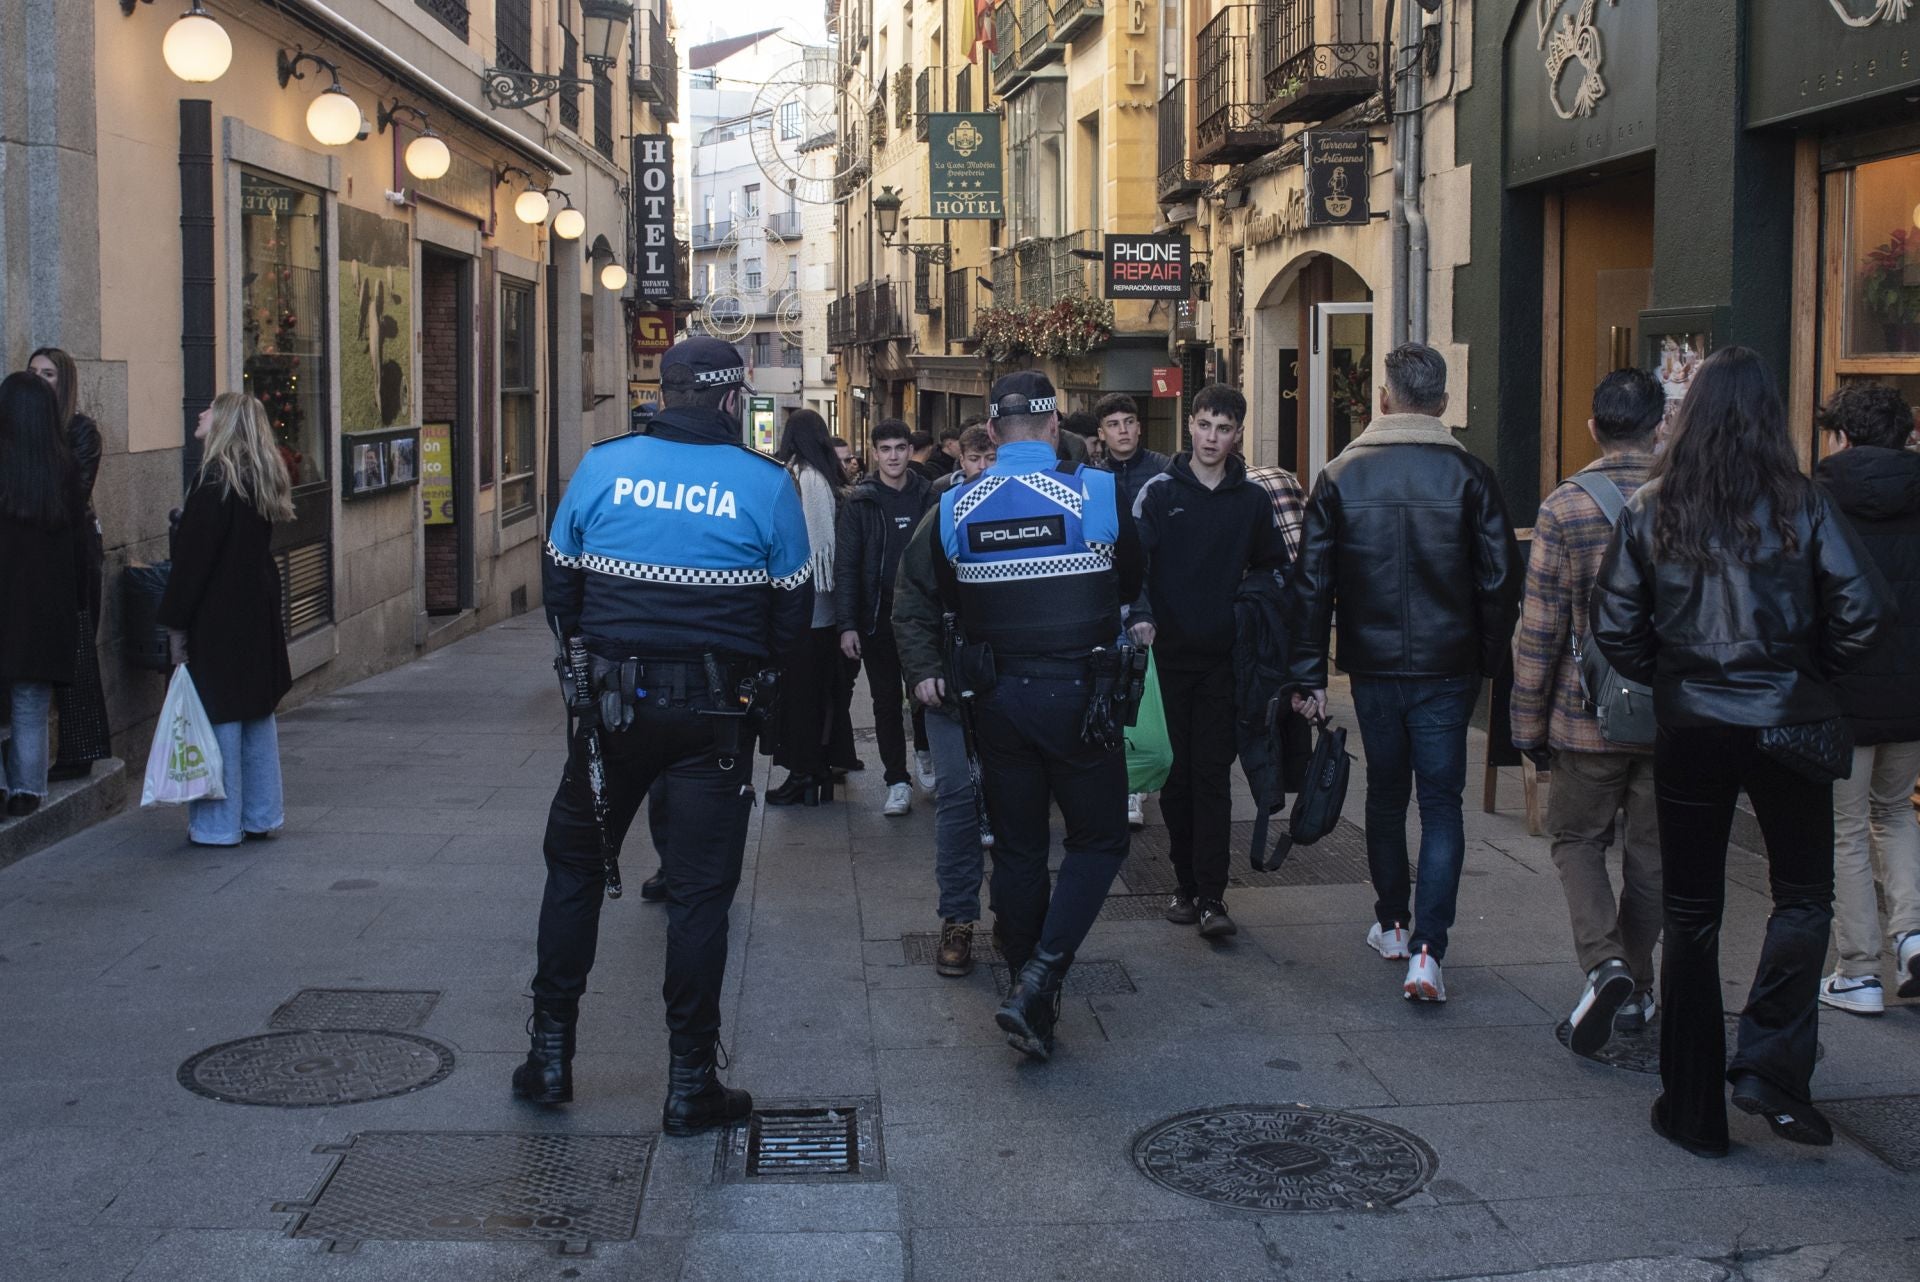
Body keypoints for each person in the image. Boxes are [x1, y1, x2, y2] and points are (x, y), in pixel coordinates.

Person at [1592, 346, 1885, 1157]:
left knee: (1692, 916)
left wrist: (1681, 677)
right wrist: (1804, 674)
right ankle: (1768, 1064)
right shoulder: (1806, 504)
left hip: (1694, 728)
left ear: (1689, 416)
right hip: (1789, 723)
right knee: (1803, 898)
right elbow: (1864, 614)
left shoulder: (1654, 506)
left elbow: (1615, 626)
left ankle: (1692, 1110)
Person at [520, 336, 812, 1134]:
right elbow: (792, 616)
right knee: (699, 896)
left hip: (609, 715)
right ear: (728, 401)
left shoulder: (602, 467)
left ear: (663, 391)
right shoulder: (765, 485)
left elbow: (559, 590)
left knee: (576, 868)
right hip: (714, 719)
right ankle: (690, 1085)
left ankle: (550, 1055)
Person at [1288, 343, 1522, 1004]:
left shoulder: (1338, 477)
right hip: (1448, 668)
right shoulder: (1472, 476)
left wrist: (1308, 673)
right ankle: (1429, 951)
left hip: (1373, 664)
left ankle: (1392, 923)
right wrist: (1486, 657)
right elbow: (1501, 580)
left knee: (1387, 792)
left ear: (1383, 400)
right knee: (1442, 804)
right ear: (1442, 403)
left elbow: (1312, 587)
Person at [926, 370, 1145, 1059]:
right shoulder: (1097, 492)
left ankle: (1025, 980)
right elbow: (1130, 582)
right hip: (1081, 697)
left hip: (997, 702)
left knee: (1019, 846)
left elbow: (948, 598)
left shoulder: (956, 507)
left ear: (990, 433)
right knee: (1100, 837)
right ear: (1057, 429)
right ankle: (1045, 975)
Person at [1510, 369, 1666, 1054]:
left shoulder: (1566, 506)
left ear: (1594, 427)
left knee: (1576, 841)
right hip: (1674, 713)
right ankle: (1638, 982)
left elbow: (1539, 630)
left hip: (1586, 712)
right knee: (1654, 857)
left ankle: (1605, 965)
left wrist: (1526, 724)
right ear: (1660, 426)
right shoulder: (1692, 501)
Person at [1128, 384, 1290, 939]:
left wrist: (1248, 610)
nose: (1212, 437)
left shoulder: (1252, 500)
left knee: (1213, 777)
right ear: (1189, 426)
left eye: (1224, 428)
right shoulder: (1158, 493)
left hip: (1226, 662)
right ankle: (1184, 886)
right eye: (1204, 425)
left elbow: (1273, 568)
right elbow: (1135, 568)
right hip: (1166, 659)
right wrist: (1140, 615)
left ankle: (1213, 897)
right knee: (1176, 780)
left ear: (1237, 434)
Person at [1813, 382, 1920, 1015]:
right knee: (1898, 814)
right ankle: (1911, 936)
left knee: (1846, 830)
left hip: (1842, 692)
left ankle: (1858, 970)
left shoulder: (1820, 499)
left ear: (1842, 437)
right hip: (1911, 691)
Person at [157, 393, 295, 846]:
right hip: (255, 610)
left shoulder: (215, 481)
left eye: (210, 409)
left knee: (220, 720)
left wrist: (176, 622)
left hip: (218, 617)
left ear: (226, 422)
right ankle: (261, 813)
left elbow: (193, 564)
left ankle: (218, 825)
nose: (200, 414)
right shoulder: (259, 478)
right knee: (255, 715)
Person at [891, 423, 999, 977]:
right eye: (979, 458)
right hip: (953, 688)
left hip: (1016, 691)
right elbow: (909, 599)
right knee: (957, 799)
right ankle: (958, 919)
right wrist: (925, 671)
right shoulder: (947, 512)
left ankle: (1013, 912)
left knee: (1014, 800)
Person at [836, 418, 937, 815]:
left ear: (910, 451)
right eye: (886, 449)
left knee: (927, 696)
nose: (894, 456)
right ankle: (897, 779)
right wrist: (847, 625)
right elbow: (846, 567)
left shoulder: (929, 494)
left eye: (900, 448)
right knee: (884, 702)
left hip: (923, 620)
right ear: (874, 454)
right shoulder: (860, 501)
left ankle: (926, 755)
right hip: (877, 619)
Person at [0, 373, 85, 818]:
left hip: (5, 598)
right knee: (31, 702)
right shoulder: (64, 466)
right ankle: (27, 792)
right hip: (45, 606)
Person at [27, 347, 111, 779]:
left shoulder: (80, 430)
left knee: (76, 644)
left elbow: (72, 495)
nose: (40, 380)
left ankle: (79, 751)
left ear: (65, 382)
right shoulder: (18, 429)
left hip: (74, 554)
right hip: (31, 555)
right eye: (33, 373)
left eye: (49, 374)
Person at [767, 409, 848, 807]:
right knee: (816, 695)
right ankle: (815, 771)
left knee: (801, 697)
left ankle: (805, 774)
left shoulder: (805, 477)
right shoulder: (821, 475)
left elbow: (819, 547)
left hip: (809, 609)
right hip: (821, 609)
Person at [1096, 393, 1170, 512]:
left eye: (1129, 422)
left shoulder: (1163, 467)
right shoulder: (1096, 476)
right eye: (1114, 424)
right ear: (1101, 434)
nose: (1123, 430)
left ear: (1138, 427)